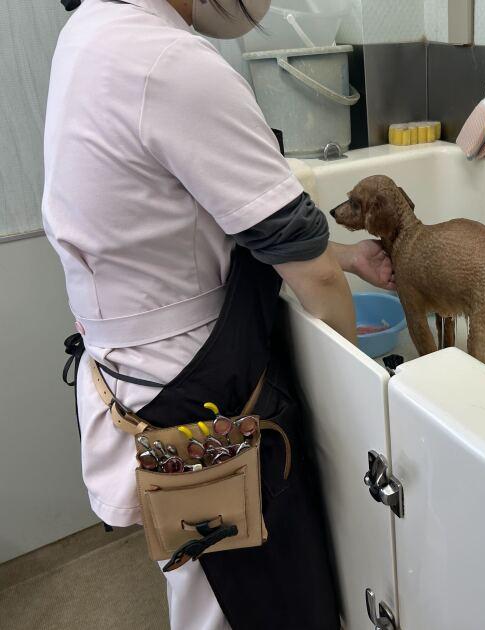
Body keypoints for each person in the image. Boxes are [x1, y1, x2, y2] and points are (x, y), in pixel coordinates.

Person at [43, 1, 392, 628]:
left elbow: (205, 224)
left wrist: (343, 256)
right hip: (199, 391)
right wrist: (355, 394)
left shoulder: (92, 33)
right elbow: (307, 271)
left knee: (201, 577)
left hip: (136, 375)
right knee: (248, 594)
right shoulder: (171, 65)